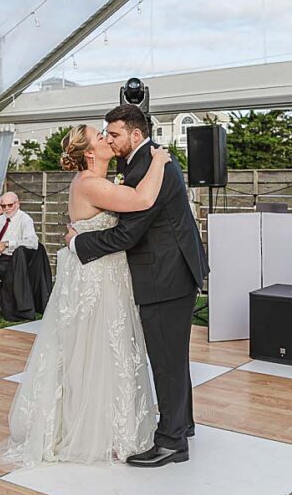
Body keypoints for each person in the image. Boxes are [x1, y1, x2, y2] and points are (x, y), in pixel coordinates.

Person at [0, 122, 171, 468]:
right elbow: (143, 199)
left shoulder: (95, 182)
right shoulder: (91, 185)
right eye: (100, 136)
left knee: (100, 350)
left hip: (101, 273)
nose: (107, 138)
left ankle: (105, 425)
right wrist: (160, 160)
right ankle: (98, 431)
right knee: (97, 350)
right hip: (96, 279)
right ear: (90, 153)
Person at [66, 104, 209, 468]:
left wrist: (78, 243)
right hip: (170, 271)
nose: (109, 141)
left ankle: (172, 442)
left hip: (166, 275)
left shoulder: (148, 165)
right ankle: (183, 424)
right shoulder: (141, 162)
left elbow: (129, 232)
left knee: (166, 359)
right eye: (105, 135)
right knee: (172, 356)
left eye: (113, 134)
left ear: (135, 134)